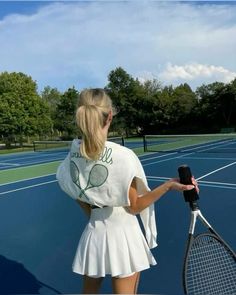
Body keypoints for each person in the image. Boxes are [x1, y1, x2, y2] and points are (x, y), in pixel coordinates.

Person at [56, 88, 197, 294]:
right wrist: (168, 185)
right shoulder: (123, 156)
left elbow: (73, 191)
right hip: (123, 234)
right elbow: (135, 207)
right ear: (109, 116)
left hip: (94, 232)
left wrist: (97, 214)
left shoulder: (72, 157)